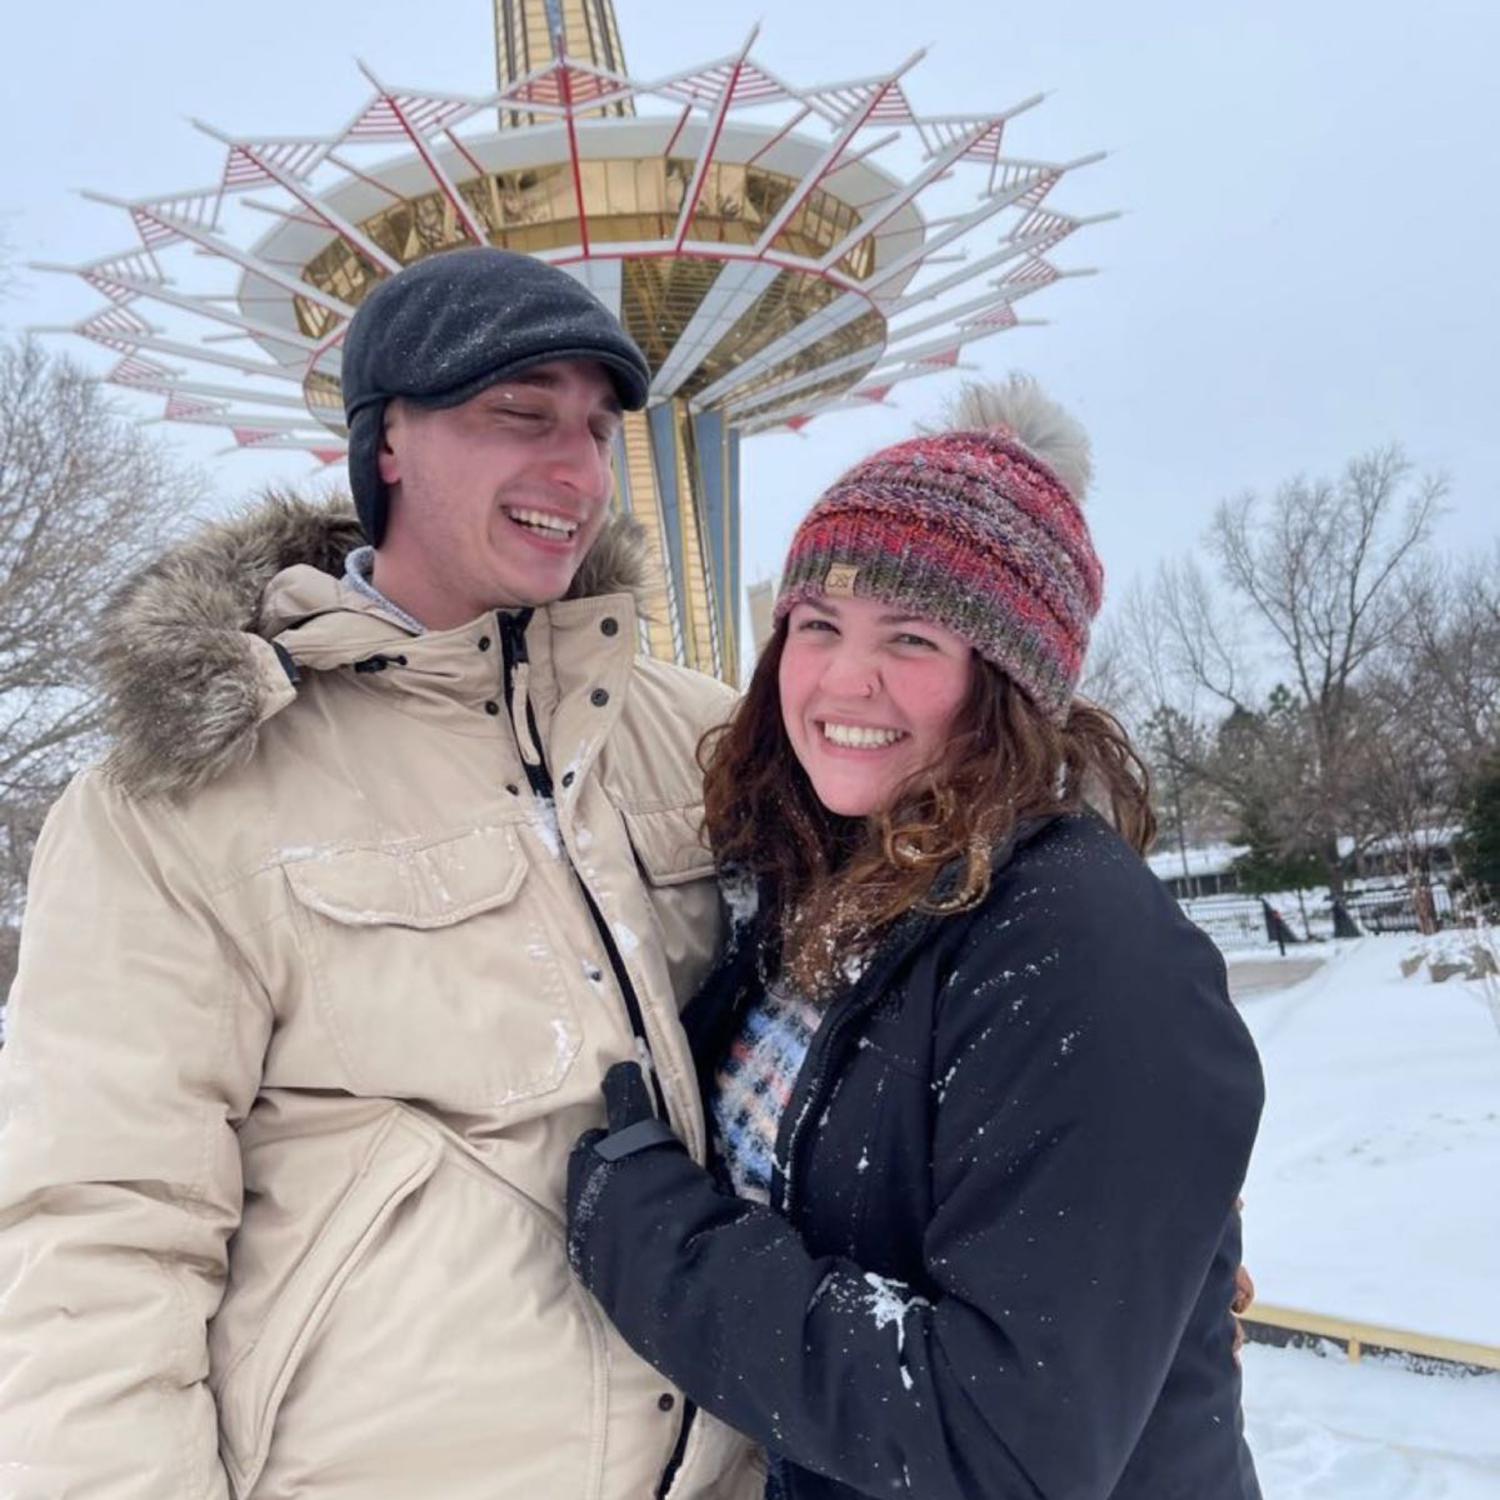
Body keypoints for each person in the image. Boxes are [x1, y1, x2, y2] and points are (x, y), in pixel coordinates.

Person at [0, 248, 761, 1499]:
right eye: (519, 413)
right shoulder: (179, 801)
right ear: (388, 441)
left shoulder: (694, 739)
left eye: (596, 426)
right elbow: (99, 1234)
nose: (575, 469)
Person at [566, 378, 1266, 1500]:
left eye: (913, 637)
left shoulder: (1082, 947)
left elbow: (1006, 1446)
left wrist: (664, 1250)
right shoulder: (830, 895)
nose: (847, 678)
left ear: (1009, 682)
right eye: (819, 626)